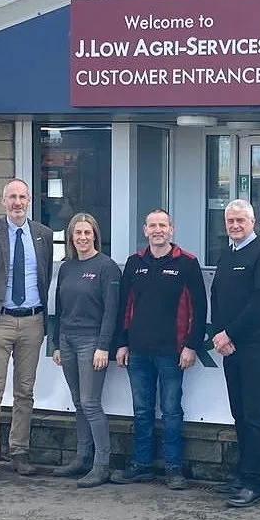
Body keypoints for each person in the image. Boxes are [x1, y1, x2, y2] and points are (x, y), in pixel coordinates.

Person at [110, 208, 207, 490]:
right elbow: (123, 307)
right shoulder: (134, 263)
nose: (157, 230)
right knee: (141, 411)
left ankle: (174, 469)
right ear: (145, 230)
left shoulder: (187, 263)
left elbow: (200, 310)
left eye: (162, 225)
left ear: (171, 230)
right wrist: (121, 342)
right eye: (152, 226)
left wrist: (191, 345)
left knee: (171, 411)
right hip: (138, 351)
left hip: (172, 352)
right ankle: (142, 466)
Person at [0, 178, 54, 483]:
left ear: (29, 201)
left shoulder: (43, 235)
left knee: (25, 392)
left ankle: (19, 451)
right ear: (4, 201)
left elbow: (46, 277)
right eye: (12, 197)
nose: (18, 203)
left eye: (22, 197)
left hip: (32, 322)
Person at [210, 198, 260, 508]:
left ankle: (254, 482)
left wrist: (229, 333)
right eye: (231, 221)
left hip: (258, 343)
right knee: (239, 412)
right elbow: (217, 297)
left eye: (241, 220)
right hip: (231, 345)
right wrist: (219, 334)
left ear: (253, 222)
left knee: (254, 414)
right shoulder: (227, 255)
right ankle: (243, 474)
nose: (235, 225)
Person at [49, 212, 121, 488]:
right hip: (67, 340)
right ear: (70, 237)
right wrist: (56, 343)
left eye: (87, 233)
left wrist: (104, 346)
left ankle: (102, 464)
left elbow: (111, 311)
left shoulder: (107, 267)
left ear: (95, 236)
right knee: (78, 402)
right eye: (77, 233)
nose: (82, 238)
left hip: (92, 342)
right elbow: (59, 307)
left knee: (91, 403)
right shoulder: (66, 267)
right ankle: (82, 457)